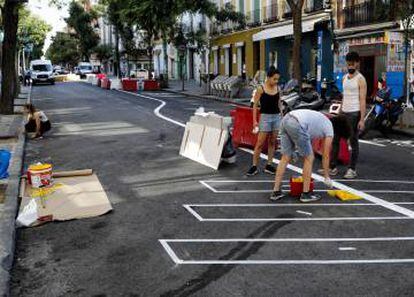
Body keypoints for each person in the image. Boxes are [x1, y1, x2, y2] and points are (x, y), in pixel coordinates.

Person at [270, 110, 335, 202]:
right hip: (296, 123)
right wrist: (326, 176)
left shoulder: (320, 121)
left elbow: (306, 142)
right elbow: (326, 154)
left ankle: (276, 192)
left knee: (285, 157)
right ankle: (306, 194)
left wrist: (294, 152)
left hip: (286, 119)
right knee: (309, 158)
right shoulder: (329, 129)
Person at [330, 52, 367, 179]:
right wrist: (339, 111)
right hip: (344, 112)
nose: (350, 65)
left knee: (353, 141)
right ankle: (332, 167)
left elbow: (362, 100)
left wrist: (362, 119)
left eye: (353, 63)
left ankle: (352, 169)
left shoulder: (361, 79)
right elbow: (344, 96)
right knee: (335, 139)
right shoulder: (345, 78)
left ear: (357, 63)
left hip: (354, 113)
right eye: (348, 63)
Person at [246, 66, 283, 176]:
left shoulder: (278, 88)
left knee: (272, 141)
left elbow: (279, 102)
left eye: (277, 79)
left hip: (276, 117)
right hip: (265, 117)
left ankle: (269, 165)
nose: (276, 81)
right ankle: (254, 166)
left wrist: (282, 115)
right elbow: (255, 105)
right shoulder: (260, 88)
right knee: (260, 143)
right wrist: (254, 121)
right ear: (268, 77)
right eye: (274, 79)